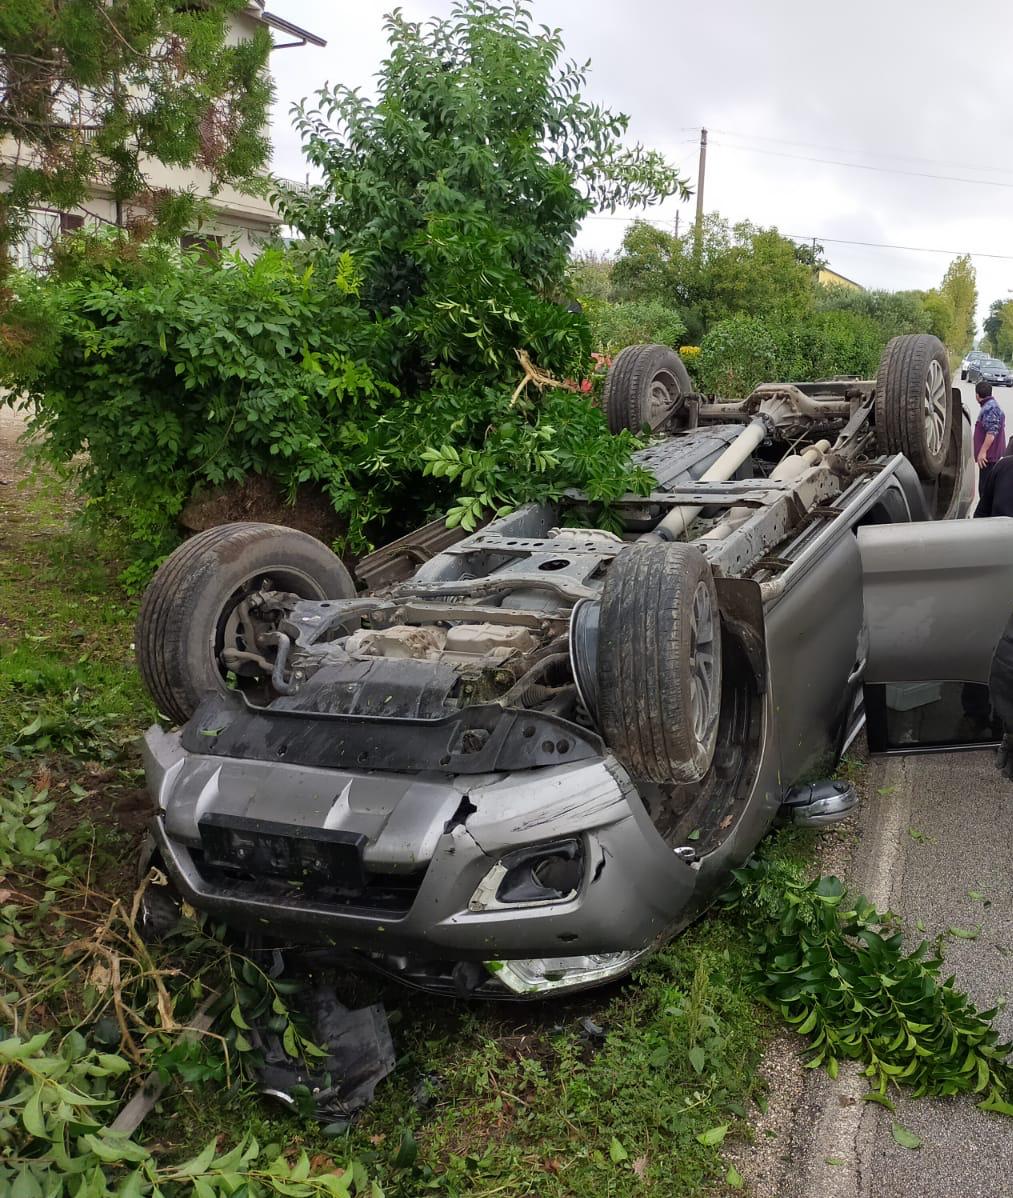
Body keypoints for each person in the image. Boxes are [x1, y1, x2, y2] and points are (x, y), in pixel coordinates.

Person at [973, 380, 1005, 482]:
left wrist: (983, 452)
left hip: (989, 458)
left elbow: (991, 433)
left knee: (985, 487)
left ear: (977, 395)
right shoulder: (990, 406)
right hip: (989, 457)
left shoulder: (990, 408)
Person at [974, 436, 1013, 517]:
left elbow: (981, 513)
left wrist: (983, 451)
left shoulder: (1003, 465)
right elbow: (981, 512)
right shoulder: (1003, 466)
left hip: (989, 459)